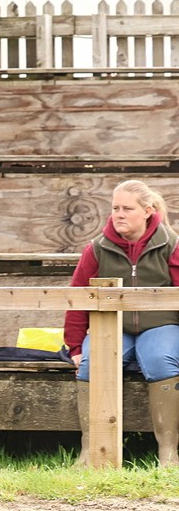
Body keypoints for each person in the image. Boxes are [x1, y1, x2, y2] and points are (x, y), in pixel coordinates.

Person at [65, 179, 179, 467]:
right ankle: (90, 451)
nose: (119, 214)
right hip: (111, 327)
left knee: (161, 359)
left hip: (161, 325)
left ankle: (168, 452)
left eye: (127, 208)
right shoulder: (97, 248)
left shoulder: (172, 245)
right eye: (115, 207)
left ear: (148, 211)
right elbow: (79, 297)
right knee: (92, 362)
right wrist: (75, 346)